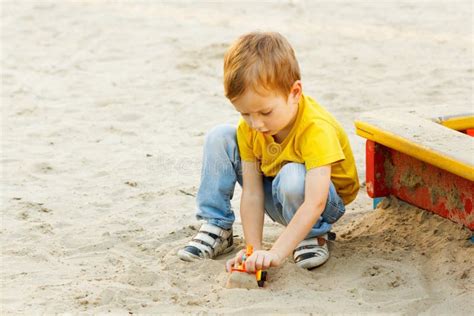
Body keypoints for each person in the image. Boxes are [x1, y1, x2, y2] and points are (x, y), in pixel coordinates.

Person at [178, 31, 359, 271]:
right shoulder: (250, 129)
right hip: (276, 192)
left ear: (294, 93)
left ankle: (313, 236)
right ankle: (217, 226)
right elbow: (252, 192)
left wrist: (276, 253)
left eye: (265, 112)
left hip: (320, 203)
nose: (256, 124)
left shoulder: (316, 129)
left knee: (293, 175)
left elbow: (316, 201)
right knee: (219, 136)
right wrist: (253, 250)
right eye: (245, 113)